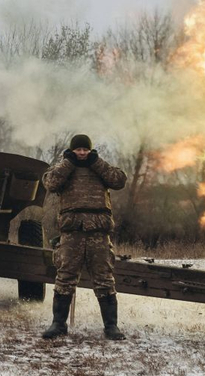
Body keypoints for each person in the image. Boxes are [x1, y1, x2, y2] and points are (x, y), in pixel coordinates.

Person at [41, 134, 128, 340]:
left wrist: (96, 162)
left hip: (98, 232)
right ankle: (58, 324)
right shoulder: (64, 168)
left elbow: (119, 180)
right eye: (78, 150)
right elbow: (50, 182)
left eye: (85, 150)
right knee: (65, 277)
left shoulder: (99, 168)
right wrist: (68, 163)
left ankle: (111, 326)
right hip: (73, 233)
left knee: (104, 279)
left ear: (90, 150)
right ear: (72, 151)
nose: (82, 153)